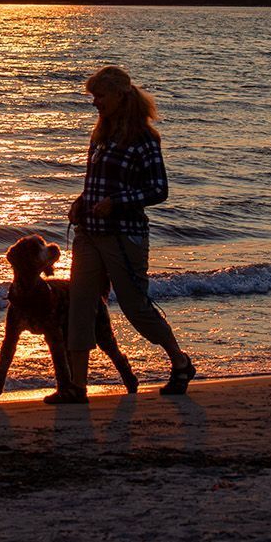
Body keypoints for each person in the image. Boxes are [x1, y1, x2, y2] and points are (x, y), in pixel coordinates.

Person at [66, 65, 197, 395]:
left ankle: (180, 362)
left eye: (99, 96)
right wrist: (81, 202)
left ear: (119, 97)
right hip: (88, 234)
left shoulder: (144, 140)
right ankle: (76, 388)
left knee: (135, 308)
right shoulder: (101, 134)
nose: (94, 102)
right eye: (92, 96)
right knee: (79, 306)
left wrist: (117, 202)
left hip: (124, 236)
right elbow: (96, 183)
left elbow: (158, 190)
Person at [0, 234, 138, 405]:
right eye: (40, 250)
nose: (50, 249)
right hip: (43, 299)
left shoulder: (47, 297)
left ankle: (124, 376)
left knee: (104, 342)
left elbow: (57, 347)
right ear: (27, 262)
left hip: (82, 299)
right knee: (11, 346)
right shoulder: (15, 303)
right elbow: (8, 348)